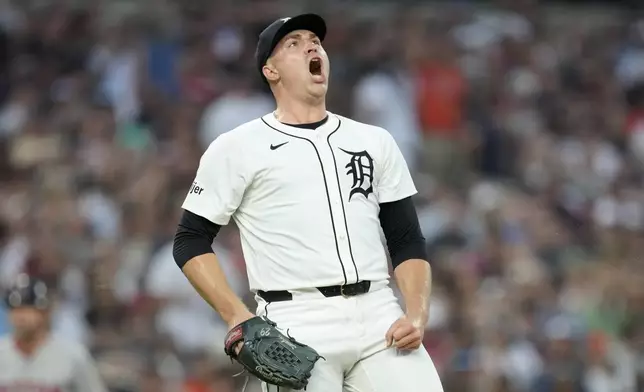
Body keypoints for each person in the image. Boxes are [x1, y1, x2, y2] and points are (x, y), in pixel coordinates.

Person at [173, 13, 444, 391]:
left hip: (380, 314)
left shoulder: (374, 140)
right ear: (271, 71)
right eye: (294, 43)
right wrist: (236, 315)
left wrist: (416, 313)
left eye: (314, 39)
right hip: (295, 320)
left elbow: (406, 239)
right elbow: (189, 239)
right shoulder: (237, 147)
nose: (311, 45)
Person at [0, 274, 107, 391]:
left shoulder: (73, 356)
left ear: (45, 313)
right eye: (15, 309)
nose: (21, 316)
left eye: (28, 309)